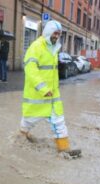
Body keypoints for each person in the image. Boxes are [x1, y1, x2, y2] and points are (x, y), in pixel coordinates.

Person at [19, 20, 81, 157]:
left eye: (59, 34)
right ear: (48, 32)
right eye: (55, 33)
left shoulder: (54, 48)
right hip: (37, 97)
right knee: (27, 122)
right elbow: (30, 70)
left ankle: (64, 150)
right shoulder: (36, 47)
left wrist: (51, 90)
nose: (57, 36)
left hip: (53, 97)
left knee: (59, 122)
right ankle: (19, 140)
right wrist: (43, 89)